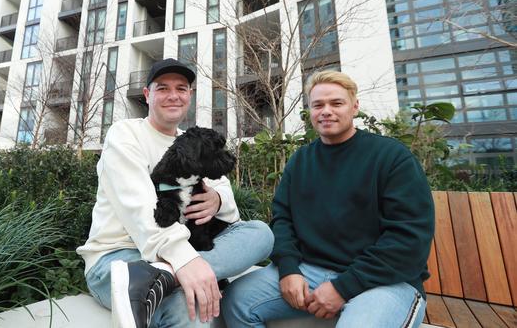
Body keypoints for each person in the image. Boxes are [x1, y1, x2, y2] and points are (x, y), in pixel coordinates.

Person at [222, 71, 435, 327]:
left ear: (354, 107)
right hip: (310, 270)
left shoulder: (391, 157)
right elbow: (282, 219)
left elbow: (409, 240)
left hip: (385, 280)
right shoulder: (300, 161)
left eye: (336, 103)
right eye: (318, 105)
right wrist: (288, 268)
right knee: (236, 301)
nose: (326, 111)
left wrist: (343, 287)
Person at [77, 58, 273, 328]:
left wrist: (217, 201)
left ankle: (165, 275)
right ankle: (164, 276)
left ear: (189, 96)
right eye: (163, 88)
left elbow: (229, 203)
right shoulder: (125, 134)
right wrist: (185, 261)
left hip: (176, 255)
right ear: (147, 95)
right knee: (195, 312)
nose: (173, 96)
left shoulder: (194, 141)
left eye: (181, 89)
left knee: (260, 232)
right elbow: (141, 210)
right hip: (121, 259)